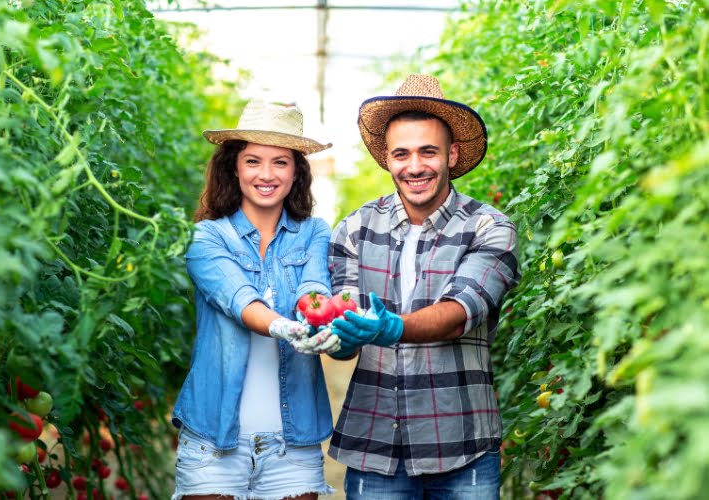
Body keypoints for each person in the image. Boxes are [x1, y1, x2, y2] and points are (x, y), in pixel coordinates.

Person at [327, 74, 521, 499]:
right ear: (387, 159)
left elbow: (460, 313)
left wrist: (391, 327)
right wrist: (334, 335)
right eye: (401, 154)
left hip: (462, 446)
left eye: (427, 151)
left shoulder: (489, 228)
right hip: (374, 444)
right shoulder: (354, 230)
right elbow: (346, 331)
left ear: (451, 154)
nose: (414, 167)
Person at [171, 98, 341, 500]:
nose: (266, 174)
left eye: (280, 162)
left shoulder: (314, 231)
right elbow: (238, 299)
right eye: (253, 161)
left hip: (293, 447)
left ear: (297, 171)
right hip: (212, 442)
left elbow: (313, 289)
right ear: (233, 166)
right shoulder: (205, 238)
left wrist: (322, 321)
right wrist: (285, 327)